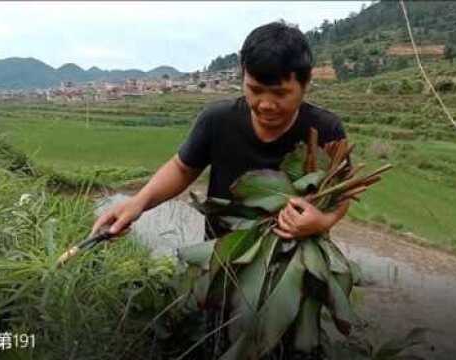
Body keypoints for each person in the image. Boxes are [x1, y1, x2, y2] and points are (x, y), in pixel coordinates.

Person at [92, 21, 349, 243]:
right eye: (255, 90)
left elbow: (342, 194)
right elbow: (182, 168)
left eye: (281, 93)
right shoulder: (217, 120)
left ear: (305, 84)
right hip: (220, 261)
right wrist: (138, 202)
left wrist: (323, 221)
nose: (266, 104)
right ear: (243, 79)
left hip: (295, 268)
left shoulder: (326, 129)